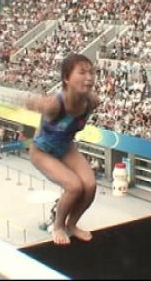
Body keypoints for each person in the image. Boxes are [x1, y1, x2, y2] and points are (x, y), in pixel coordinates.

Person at [26, 53, 100, 245]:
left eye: (91, 72)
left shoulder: (91, 102)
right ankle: (58, 226)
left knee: (90, 186)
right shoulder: (55, 104)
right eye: (82, 72)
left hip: (65, 146)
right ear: (66, 78)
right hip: (42, 151)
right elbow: (31, 103)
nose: (89, 77)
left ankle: (72, 225)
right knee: (74, 186)